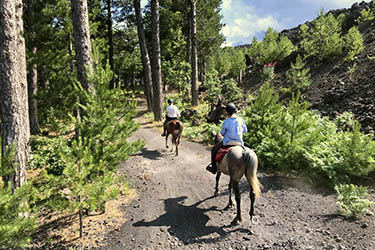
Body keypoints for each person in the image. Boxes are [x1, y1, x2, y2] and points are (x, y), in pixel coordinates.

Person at [206, 102, 247, 174]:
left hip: (228, 143)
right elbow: (245, 131)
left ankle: (213, 167)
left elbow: (222, 133)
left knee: (214, 149)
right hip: (239, 143)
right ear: (235, 110)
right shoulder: (241, 120)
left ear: (227, 112)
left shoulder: (226, 121)